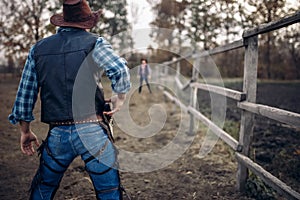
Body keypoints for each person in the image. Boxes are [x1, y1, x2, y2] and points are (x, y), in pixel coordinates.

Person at [8, 0, 131, 199]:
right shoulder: (95, 43)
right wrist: (120, 98)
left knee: (43, 188)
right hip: (93, 131)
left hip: (58, 132)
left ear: (62, 21)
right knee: (109, 192)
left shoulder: (38, 49)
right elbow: (119, 69)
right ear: (86, 22)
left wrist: (25, 131)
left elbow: (25, 93)